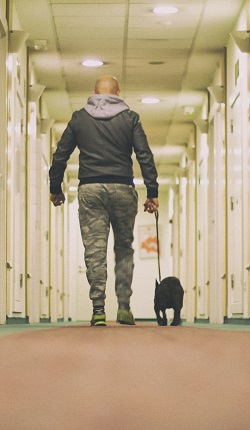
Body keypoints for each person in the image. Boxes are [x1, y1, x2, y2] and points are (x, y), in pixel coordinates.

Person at [49, 75, 159, 327]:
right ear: (118, 92)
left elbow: (60, 155)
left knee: (95, 249)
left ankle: (98, 309)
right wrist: (152, 192)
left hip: (91, 189)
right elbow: (144, 155)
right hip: (122, 187)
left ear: (94, 93)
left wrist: (55, 188)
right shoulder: (130, 118)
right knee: (123, 248)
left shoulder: (80, 118)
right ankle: (123, 308)